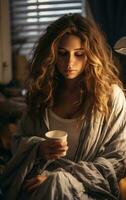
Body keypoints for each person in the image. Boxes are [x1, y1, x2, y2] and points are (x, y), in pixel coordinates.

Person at [0, 13, 126, 200]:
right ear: (51, 54)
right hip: (38, 182)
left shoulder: (110, 97)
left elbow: (118, 159)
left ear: (91, 55)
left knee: (54, 185)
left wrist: (64, 178)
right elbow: (19, 140)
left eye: (79, 54)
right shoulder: (42, 93)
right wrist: (38, 148)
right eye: (62, 53)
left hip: (86, 189)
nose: (69, 63)